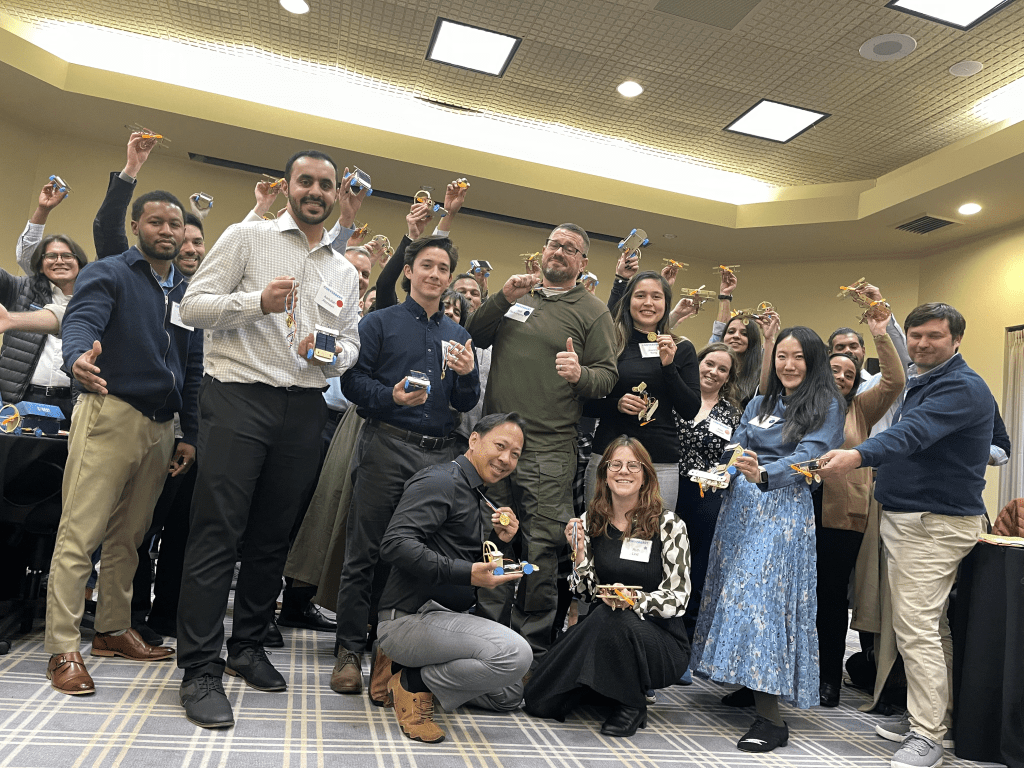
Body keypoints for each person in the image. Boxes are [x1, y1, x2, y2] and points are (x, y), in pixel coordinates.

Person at [175, 149, 362, 729]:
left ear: (335, 196)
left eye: (325, 185)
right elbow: (192, 307)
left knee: (272, 537)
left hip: (304, 407)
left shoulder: (345, 271)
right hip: (238, 397)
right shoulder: (246, 237)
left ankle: (248, 645)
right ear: (286, 188)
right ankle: (200, 668)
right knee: (217, 533)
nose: (315, 191)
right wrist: (257, 302)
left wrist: (327, 353)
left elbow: (351, 346)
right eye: (305, 181)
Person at [818, 303, 994, 768]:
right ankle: (937, 716)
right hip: (912, 520)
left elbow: (910, 435)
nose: (920, 343)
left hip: (932, 524)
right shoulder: (927, 379)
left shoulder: (961, 386)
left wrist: (856, 457)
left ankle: (928, 734)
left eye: (932, 336)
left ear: (956, 339)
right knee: (929, 627)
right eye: (914, 335)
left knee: (916, 630)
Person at [44, 189, 202, 695]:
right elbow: (80, 322)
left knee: (130, 538)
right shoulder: (109, 272)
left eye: (174, 224)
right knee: (80, 534)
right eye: (155, 222)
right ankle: (62, 647)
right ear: (136, 226)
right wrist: (76, 359)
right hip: (108, 411)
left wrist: (190, 433)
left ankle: (112, 630)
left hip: (161, 428)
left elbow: (193, 369)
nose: (166, 231)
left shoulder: (185, 293)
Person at [331, 235, 479, 695]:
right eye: (427, 266)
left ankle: (389, 655)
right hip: (386, 445)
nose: (435, 275)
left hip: (437, 455)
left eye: (443, 269)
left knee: (414, 557)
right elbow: (352, 381)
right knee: (366, 550)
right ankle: (349, 651)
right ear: (409, 271)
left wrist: (467, 374)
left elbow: (466, 402)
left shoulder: (459, 336)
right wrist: (390, 396)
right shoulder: (378, 323)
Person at [466, 223, 618, 668]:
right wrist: (502, 297)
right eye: (555, 244)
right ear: (543, 250)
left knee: (540, 547)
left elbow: (606, 377)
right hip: (495, 446)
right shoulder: (518, 297)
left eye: (572, 249)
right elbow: (475, 335)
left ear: (582, 263)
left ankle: (531, 650)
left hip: (549, 449)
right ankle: (488, 635)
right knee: (493, 539)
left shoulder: (593, 312)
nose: (561, 253)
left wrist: (580, 374)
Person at [691, 326, 845, 753]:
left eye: (798, 357)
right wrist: (725, 468)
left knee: (762, 601)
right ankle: (749, 680)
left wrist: (766, 472)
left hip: (782, 509)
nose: (789, 365)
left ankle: (771, 718)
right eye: (782, 356)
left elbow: (812, 458)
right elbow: (737, 444)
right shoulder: (760, 401)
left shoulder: (827, 404)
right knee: (733, 594)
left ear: (813, 361)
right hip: (740, 507)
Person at [370, 413, 533, 743]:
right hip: (410, 617)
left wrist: (501, 541)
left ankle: (397, 666)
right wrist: (468, 574)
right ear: (474, 440)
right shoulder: (441, 480)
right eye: (500, 446)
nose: (506, 459)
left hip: (444, 617)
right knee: (515, 655)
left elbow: (454, 554)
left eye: (515, 454)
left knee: (509, 695)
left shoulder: (478, 494)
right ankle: (411, 681)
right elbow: (395, 544)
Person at [524, 437, 691, 736]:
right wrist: (577, 551)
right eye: (615, 464)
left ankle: (631, 704)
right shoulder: (591, 521)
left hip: (660, 641)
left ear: (646, 476)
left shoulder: (669, 525)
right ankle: (605, 687)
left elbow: (679, 599)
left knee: (614, 615)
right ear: (603, 474)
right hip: (604, 633)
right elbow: (584, 592)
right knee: (540, 701)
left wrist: (633, 599)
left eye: (632, 465)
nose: (623, 471)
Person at [816, 310, 905, 708]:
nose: (840, 377)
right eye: (833, 369)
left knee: (831, 597)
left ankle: (828, 681)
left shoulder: (861, 410)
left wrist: (881, 334)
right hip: (795, 511)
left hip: (841, 517)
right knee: (795, 596)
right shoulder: (800, 406)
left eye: (849, 374)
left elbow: (895, 380)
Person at [583, 271, 700, 511]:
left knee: (654, 538)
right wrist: (615, 405)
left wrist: (669, 367)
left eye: (656, 296)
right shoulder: (609, 343)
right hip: (609, 456)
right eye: (640, 296)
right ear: (628, 302)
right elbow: (582, 403)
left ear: (666, 304)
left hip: (660, 461)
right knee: (600, 535)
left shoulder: (682, 348)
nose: (648, 303)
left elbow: (690, 410)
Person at [674, 343, 742, 654]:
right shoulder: (676, 395)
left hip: (706, 496)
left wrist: (723, 471)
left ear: (728, 377)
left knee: (696, 567)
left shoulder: (731, 412)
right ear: (697, 363)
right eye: (709, 364)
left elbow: (733, 456)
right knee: (664, 559)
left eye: (722, 369)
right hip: (670, 488)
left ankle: (685, 642)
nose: (713, 372)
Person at [1, 230, 87, 425]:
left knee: (64, 456)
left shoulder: (93, 300)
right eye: (51, 256)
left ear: (79, 261)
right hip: (22, 397)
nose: (59, 261)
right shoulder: (22, 289)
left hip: (73, 402)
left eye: (67, 255)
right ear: (40, 265)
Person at [669, 268, 763, 405]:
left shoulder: (758, 373)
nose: (736, 336)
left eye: (744, 334)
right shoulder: (712, 356)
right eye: (730, 332)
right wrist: (725, 296)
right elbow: (719, 332)